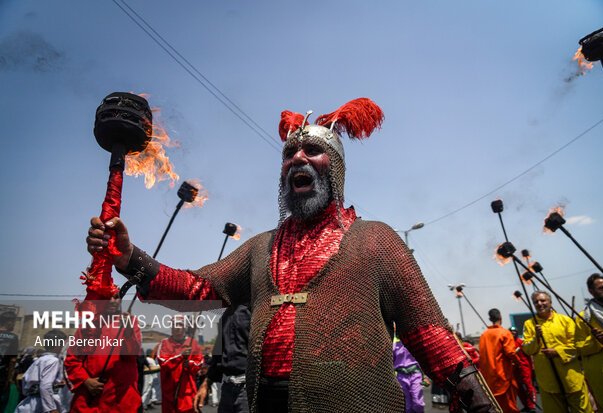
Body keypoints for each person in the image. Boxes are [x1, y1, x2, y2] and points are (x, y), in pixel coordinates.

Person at [86, 98, 500, 412]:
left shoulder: (376, 240)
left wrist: (481, 405)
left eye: (312, 152)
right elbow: (196, 287)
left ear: (335, 168)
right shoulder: (262, 247)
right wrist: (128, 257)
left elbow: (433, 340)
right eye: (289, 153)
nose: (298, 158)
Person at [64, 296, 142, 412]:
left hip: (120, 399)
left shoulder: (130, 322)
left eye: (116, 297)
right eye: (107, 297)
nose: (112, 301)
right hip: (90, 399)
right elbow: (72, 360)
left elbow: (132, 355)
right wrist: (85, 380)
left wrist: (128, 331)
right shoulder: (87, 326)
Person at [522, 291, 592, 412]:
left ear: (550, 302)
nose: (540, 304)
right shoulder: (529, 324)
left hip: (571, 378)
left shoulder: (565, 320)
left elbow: (577, 345)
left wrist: (557, 352)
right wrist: (536, 338)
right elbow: (527, 350)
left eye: (543, 300)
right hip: (547, 382)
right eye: (536, 302)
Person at [575, 273, 603, 413]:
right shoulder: (584, 317)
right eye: (601, 288)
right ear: (591, 291)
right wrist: (596, 340)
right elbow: (579, 347)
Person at [195, 304, 251, 413]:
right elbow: (218, 353)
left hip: (249, 389)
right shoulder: (226, 315)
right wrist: (206, 383)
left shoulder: (257, 309)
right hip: (227, 388)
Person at [157, 315, 203, 413]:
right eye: (174, 324)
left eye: (180, 324)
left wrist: (189, 364)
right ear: (171, 326)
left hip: (187, 394)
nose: (177, 327)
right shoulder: (164, 344)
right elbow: (164, 364)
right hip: (170, 395)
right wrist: (180, 357)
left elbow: (199, 364)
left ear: (185, 327)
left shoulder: (193, 343)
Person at [478, 309, 521, 413]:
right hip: (504, 378)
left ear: (490, 319)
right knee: (510, 407)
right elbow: (510, 352)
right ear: (500, 317)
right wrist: (518, 362)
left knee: (495, 408)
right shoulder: (505, 333)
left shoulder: (484, 335)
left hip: (489, 379)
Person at [14, 329, 67, 413]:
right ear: (59, 344)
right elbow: (45, 385)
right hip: (42, 405)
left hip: (30, 401)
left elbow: (25, 379)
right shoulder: (53, 361)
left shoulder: (40, 360)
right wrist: (51, 409)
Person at [393, 334, 429, 413]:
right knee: (407, 406)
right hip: (401, 376)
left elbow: (422, 361)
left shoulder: (414, 344)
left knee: (418, 403)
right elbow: (391, 363)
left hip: (415, 375)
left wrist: (426, 377)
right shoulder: (394, 345)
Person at [508, 326, 536, 412]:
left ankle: (532, 406)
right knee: (519, 388)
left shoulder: (521, 342)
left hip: (524, 368)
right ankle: (526, 405)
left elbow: (528, 355)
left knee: (528, 387)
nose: (513, 333)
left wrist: (532, 367)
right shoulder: (508, 343)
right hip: (515, 369)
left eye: (514, 331)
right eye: (511, 332)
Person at [0, 310, 19, 413]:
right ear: (9, 322)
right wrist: (10, 378)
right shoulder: (13, 337)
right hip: (2, 376)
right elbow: (13, 360)